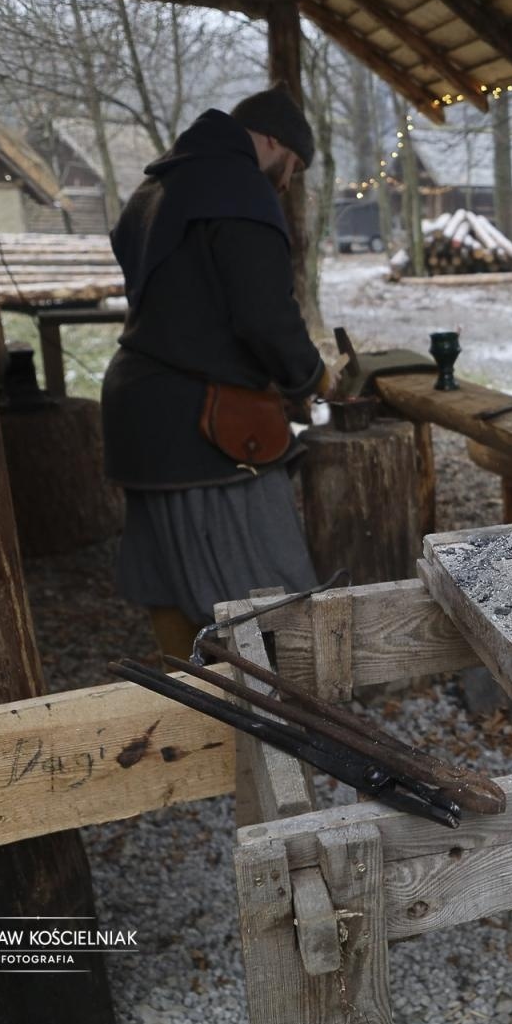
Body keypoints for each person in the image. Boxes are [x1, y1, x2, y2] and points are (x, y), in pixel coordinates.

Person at [103, 84, 335, 659]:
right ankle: (261, 713)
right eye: (293, 166)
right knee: (260, 589)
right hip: (201, 422)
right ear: (272, 140)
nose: (286, 183)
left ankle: (192, 698)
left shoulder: (157, 187)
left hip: (138, 407)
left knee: (167, 577)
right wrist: (313, 377)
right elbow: (263, 316)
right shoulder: (237, 188)